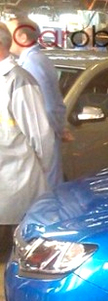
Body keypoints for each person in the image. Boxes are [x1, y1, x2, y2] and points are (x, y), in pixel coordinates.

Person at [0, 23, 55, 301]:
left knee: (15, 249)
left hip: (17, 180)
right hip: (6, 182)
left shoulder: (18, 81)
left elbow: (41, 136)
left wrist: (41, 169)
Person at [7, 16, 66, 187]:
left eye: (8, 33)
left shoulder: (33, 63)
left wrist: (58, 129)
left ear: (23, 37)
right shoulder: (33, 60)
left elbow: (47, 105)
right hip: (45, 137)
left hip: (44, 140)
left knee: (48, 190)